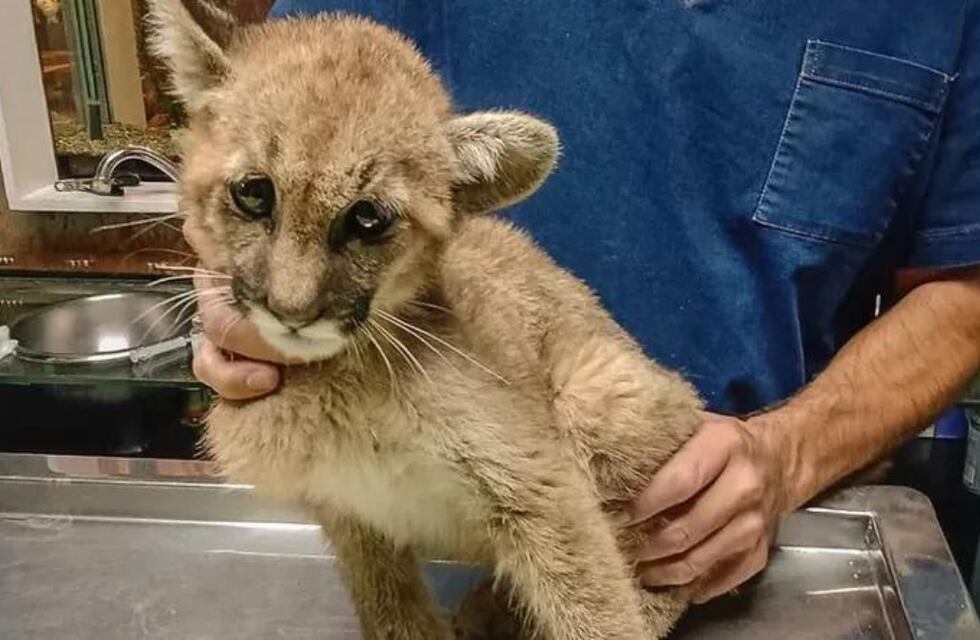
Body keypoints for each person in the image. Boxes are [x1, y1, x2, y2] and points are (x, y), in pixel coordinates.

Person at [186, 0, 980, 604]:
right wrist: (234, 299)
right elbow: (265, 129)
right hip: (419, 519)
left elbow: (964, 290)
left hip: (741, 556)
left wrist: (788, 455)